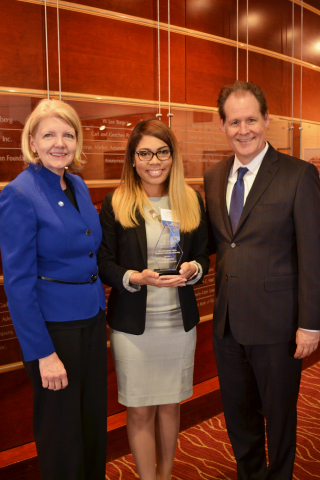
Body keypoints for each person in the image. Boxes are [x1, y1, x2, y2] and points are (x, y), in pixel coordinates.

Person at [204, 81, 320, 480]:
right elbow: (219, 244)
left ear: (266, 119)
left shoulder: (299, 175)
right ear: (223, 125)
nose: (243, 130)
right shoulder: (213, 176)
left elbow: (312, 255)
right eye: (234, 121)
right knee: (239, 420)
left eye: (251, 119)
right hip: (228, 326)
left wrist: (310, 322)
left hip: (278, 326)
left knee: (280, 420)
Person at [0, 99, 107, 480]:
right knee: (61, 434)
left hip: (92, 320)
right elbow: (17, 283)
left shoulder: (76, 183)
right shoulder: (19, 193)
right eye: (48, 134)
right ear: (32, 141)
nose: (59, 143)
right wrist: (43, 353)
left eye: (67, 134)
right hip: (53, 332)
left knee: (92, 423)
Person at [98, 119, 209, 480]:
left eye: (162, 151)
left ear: (173, 156)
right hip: (134, 327)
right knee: (141, 409)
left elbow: (205, 255)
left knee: (170, 407)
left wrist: (194, 267)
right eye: (144, 152)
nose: (154, 160)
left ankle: (166, 476)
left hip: (178, 324)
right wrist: (133, 277)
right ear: (133, 159)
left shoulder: (190, 199)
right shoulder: (117, 202)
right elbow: (104, 263)